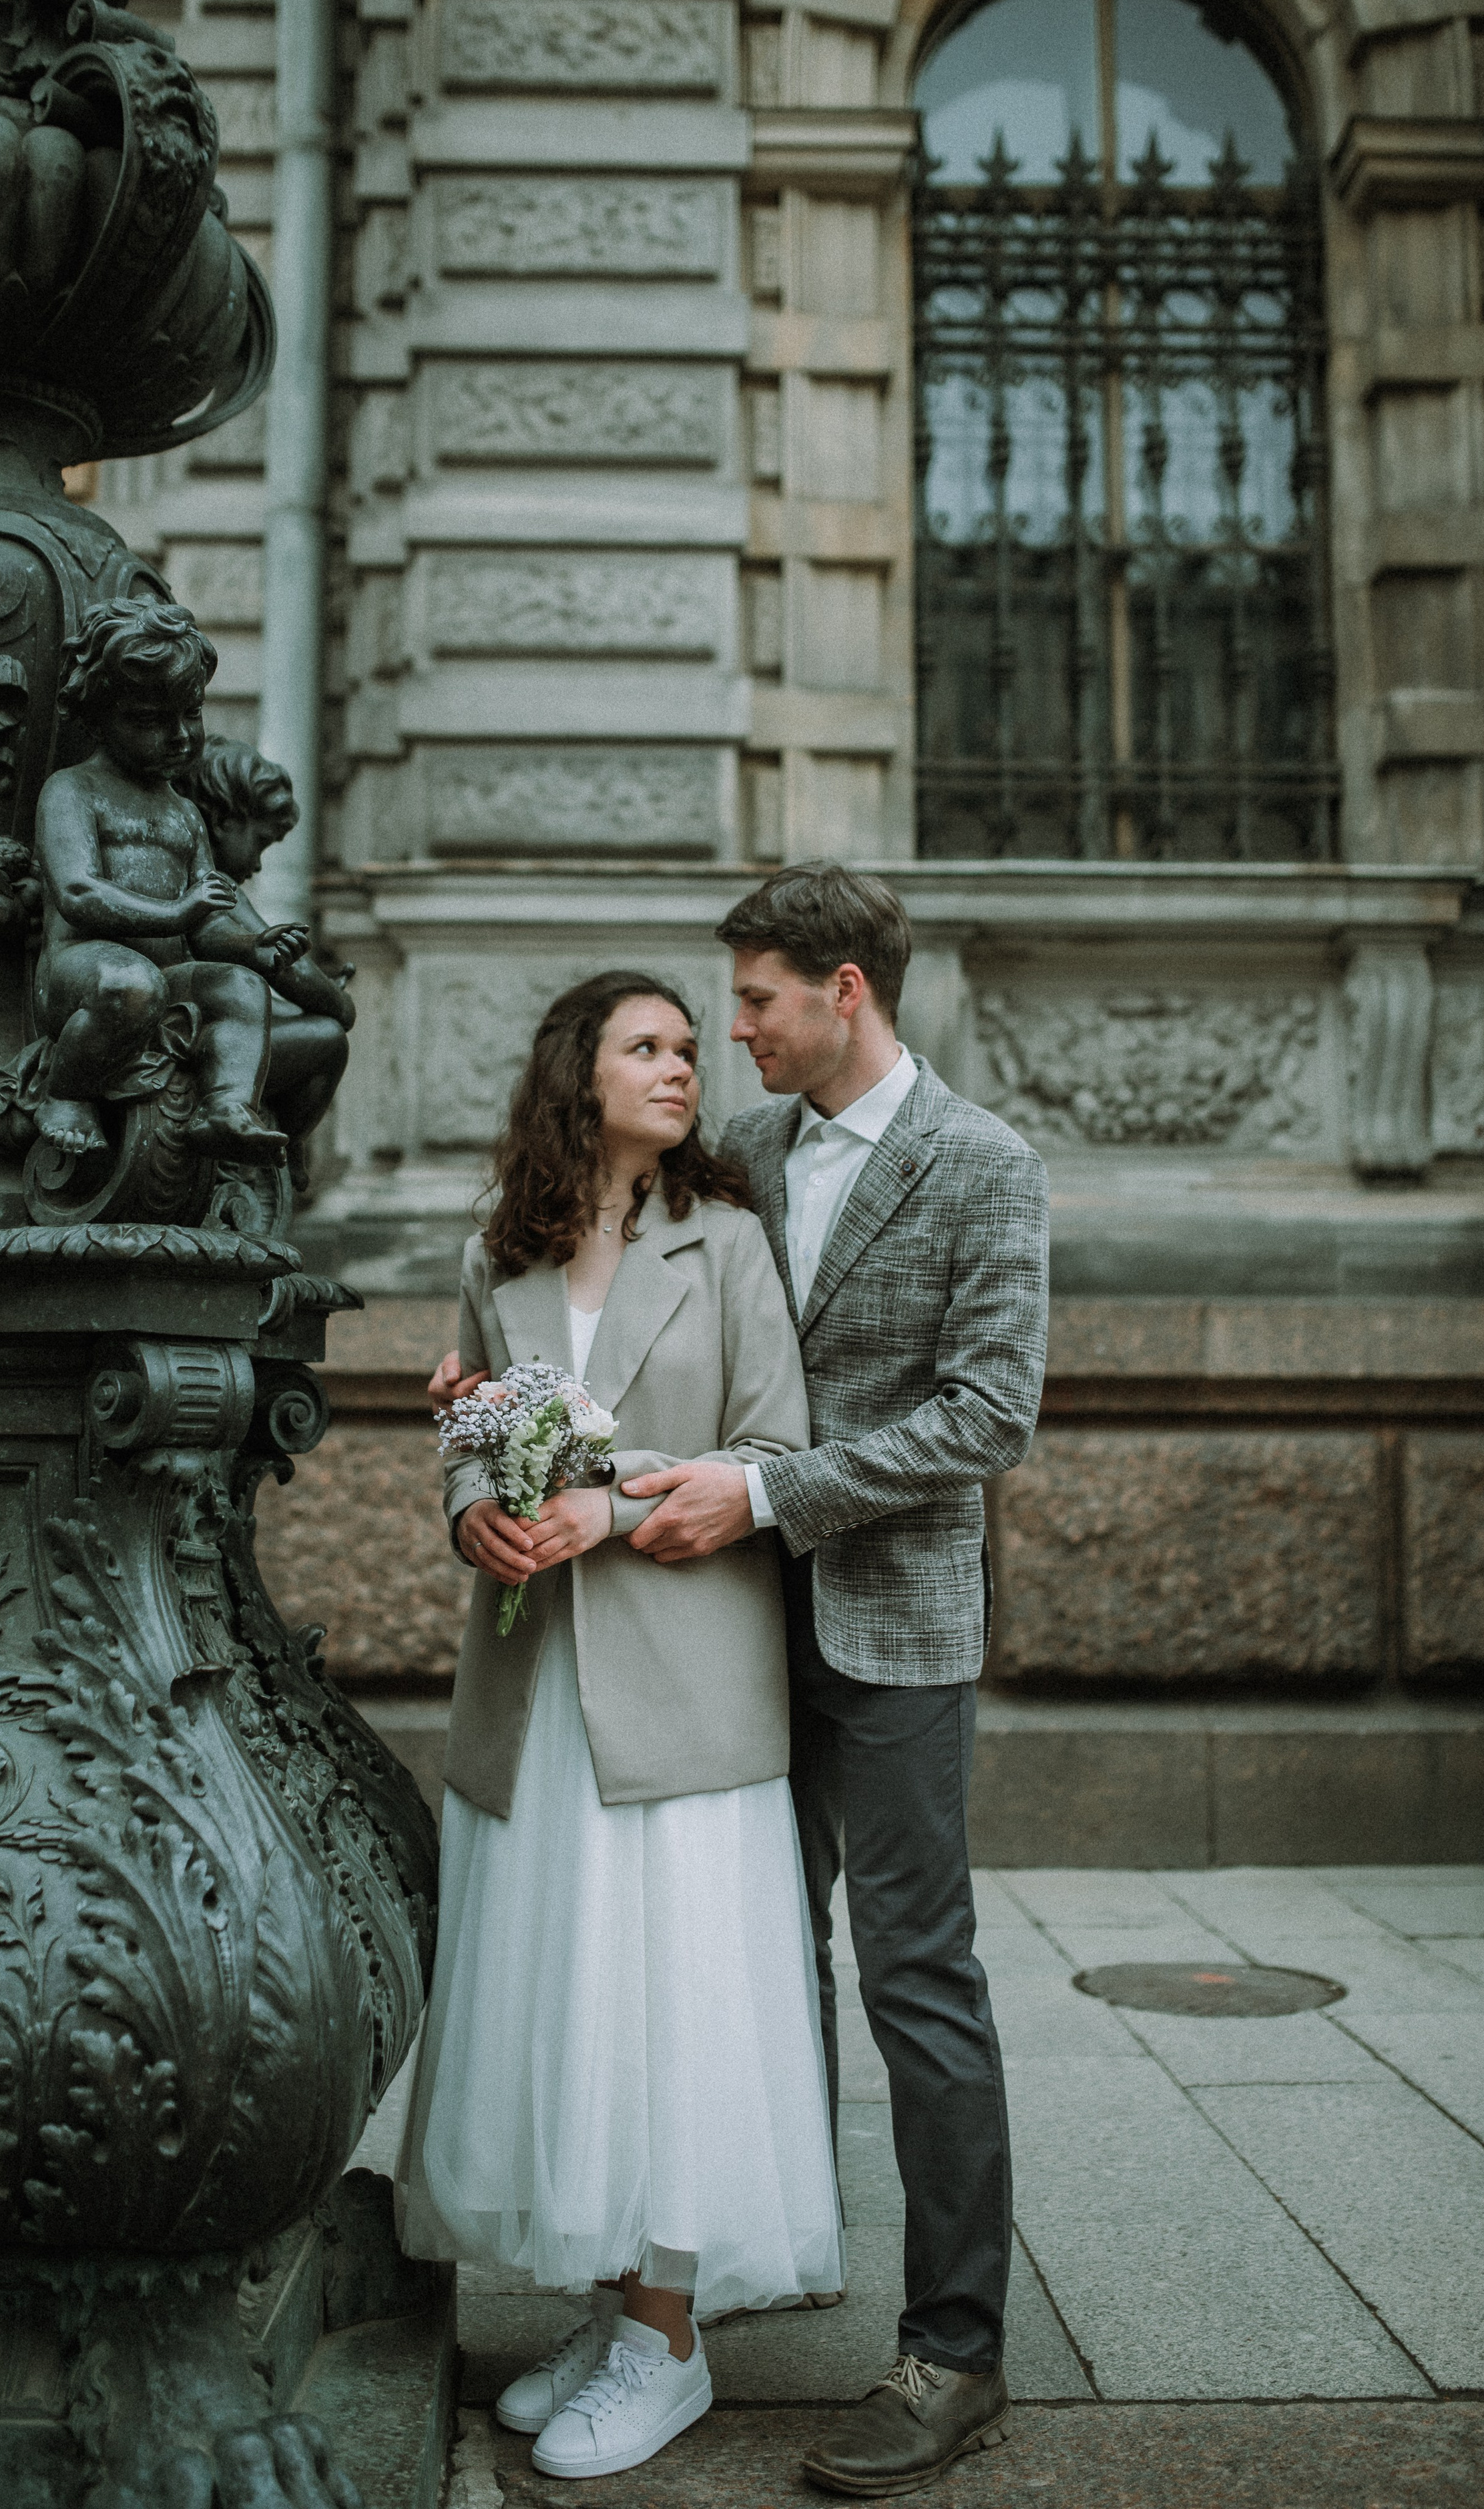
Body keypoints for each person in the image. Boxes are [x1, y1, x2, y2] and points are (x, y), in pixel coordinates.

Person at [615, 865, 1049, 2497]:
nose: (733, 1029)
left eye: (759, 1000)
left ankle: (957, 2351)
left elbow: (986, 1413)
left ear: (848, 986)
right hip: (727, 1621)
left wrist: (771, 1493)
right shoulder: (749, 1157)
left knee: (916, 1979)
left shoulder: (980, 1163)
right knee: (742, 1952)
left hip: (888, 1624)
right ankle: (765, 2252)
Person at [399, 971, 842, 2483]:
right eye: (643, 1046)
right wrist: (477, 1521)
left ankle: (666, 2342)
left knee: (664, 2015)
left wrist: (610, 1494)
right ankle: (616, 2309)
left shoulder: (724, 1243)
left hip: (681, 1692)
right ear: (572, 1074)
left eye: (681, 1048)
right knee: (570, 2009)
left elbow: (775, 1451)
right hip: (531, 1696)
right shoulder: (496, 1254)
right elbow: (465, 1441)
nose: (679, 1068)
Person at [31, 600, 295, 1163]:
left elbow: (208, 924)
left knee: (241, 988)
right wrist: (175, 916)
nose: (180, 737)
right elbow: (78, 893)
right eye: (151, 720)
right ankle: (66, 1092)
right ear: (96, 716)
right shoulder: (72, 791)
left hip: (164, 973)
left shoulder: (184, 813)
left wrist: (252, 946)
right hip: (81, 972)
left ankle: (225, 1106)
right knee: (132, 984)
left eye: (191, 714)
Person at [179, 734, 356, 1190]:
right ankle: (286, 1144)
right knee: (329, 1039)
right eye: (260, 841)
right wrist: (338, 1002)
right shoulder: (213, 884)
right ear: (223, 820)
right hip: (193, 1038)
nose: (257, 864)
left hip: (192, 1021)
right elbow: (287, 968)